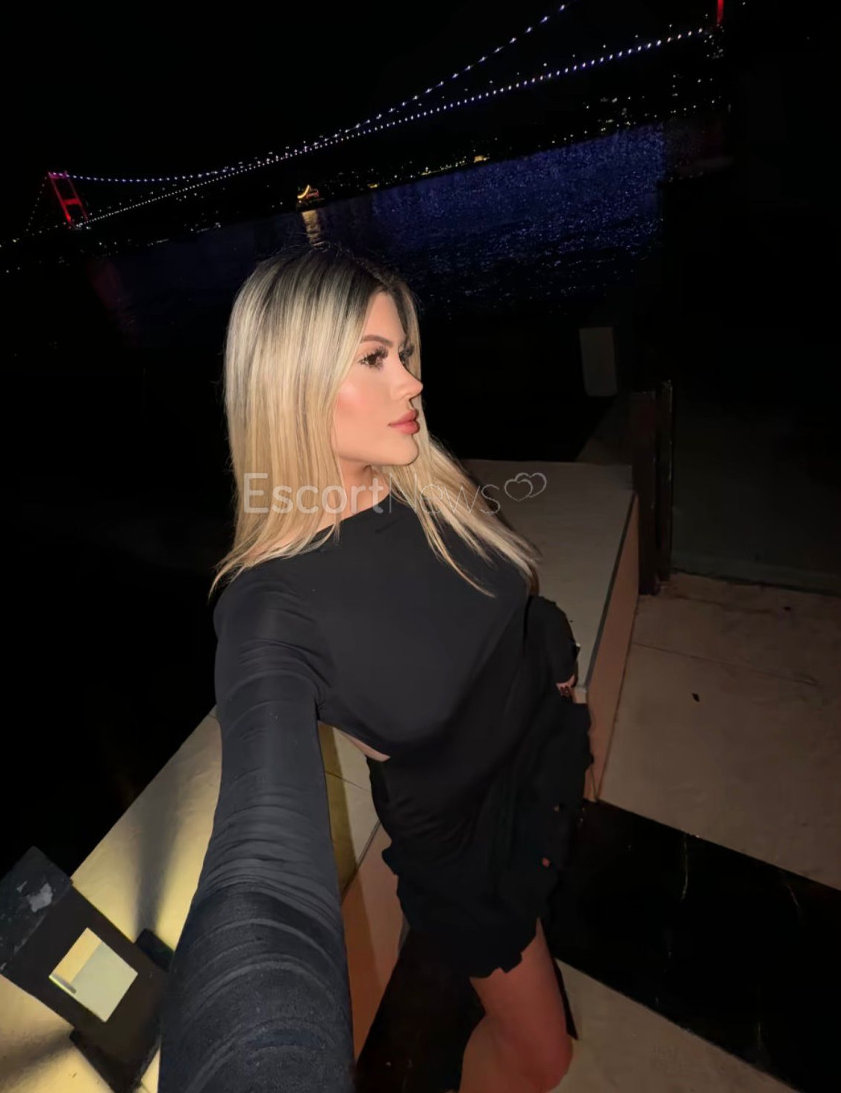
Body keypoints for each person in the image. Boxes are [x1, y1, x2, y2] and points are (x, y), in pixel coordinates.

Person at [158, 242, 592, 1093]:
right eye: (373, 359)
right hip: (465, 841)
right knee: (543, 1059)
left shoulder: (422, 480)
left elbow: (499, 603)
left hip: (542, 744)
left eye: (404, 353)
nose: (412, 383)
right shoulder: (268, 605)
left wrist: (557, 669)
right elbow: (260, 844)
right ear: (290, 384)